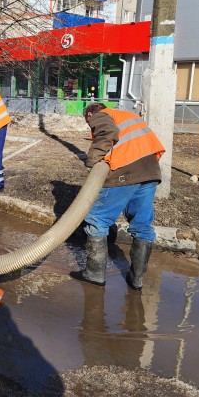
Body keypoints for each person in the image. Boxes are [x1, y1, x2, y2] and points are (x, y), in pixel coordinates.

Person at [71, 103, 165, 291]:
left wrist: (92, 161)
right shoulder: (126, 115)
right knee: (142, 225)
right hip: (150, 170)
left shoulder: (101, 115)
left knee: (97, 219)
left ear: (90, 113)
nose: (91, 125)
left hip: (125, 170)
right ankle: (136, 279)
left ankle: (94, 274)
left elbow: (107, 133)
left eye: (88, 122)